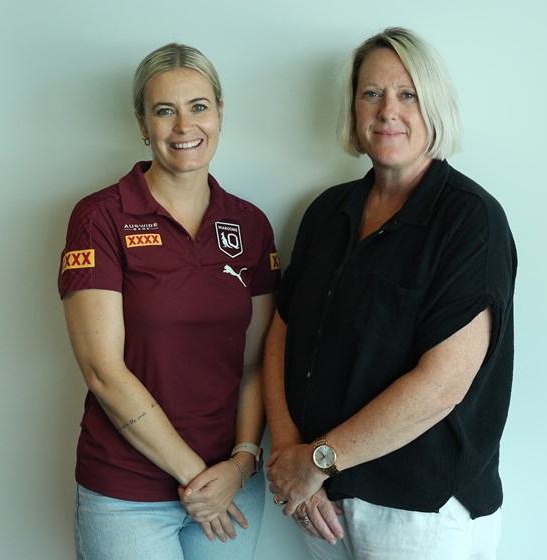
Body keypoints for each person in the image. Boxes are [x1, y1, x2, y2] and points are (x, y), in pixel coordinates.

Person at [264, 27, 517, 560]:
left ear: (435, 106)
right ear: (354, 109)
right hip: (322, 502)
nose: (387, 111)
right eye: (371, 93)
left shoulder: (471, 221)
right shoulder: (326, 213)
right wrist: (290, 455)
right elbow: (281, 335)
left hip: (418, 511)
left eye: (408, 94)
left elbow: (441, 386)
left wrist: (315, 461)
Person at [58, 43, 278, 559]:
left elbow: (256, 362)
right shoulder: (100, 218)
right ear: (142, 123)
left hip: (231, 485)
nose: (184, 125)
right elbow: (103, 371)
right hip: (127, 493)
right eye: (164, 110)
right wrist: (196, 476)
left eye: (199, 106)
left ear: (220, 112)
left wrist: (242, 462)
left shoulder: (250, 224)